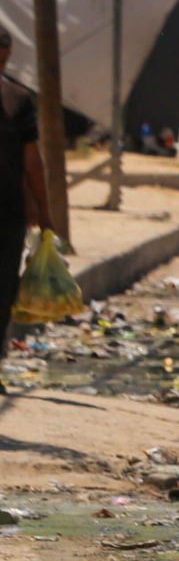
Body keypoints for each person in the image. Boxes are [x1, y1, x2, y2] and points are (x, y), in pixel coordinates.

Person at [0, 26, 63, 372]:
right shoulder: (17, 101)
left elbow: (32, 163)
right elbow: (32, 164)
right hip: (10, 212)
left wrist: (43, 212)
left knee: (5, 288)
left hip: (9, 214)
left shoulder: (18, 100)